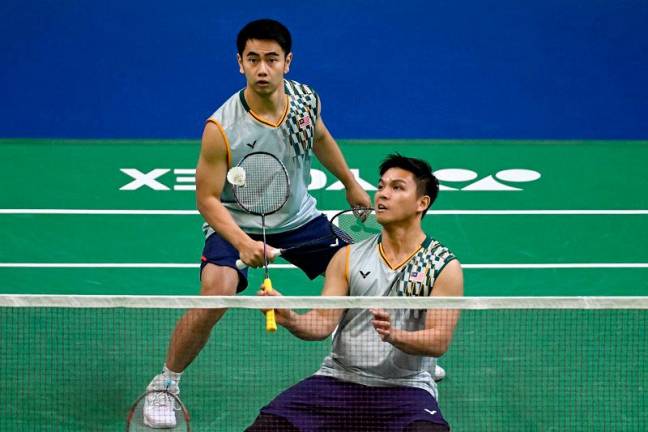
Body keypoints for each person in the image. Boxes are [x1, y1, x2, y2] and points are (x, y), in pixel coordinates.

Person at [142, 19, 371, 428]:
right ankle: (165, 384)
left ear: (287, 62)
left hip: (299, 217)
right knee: (218, 291)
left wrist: (350, 183)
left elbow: (319, 138)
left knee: (362, 268)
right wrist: (242, 244)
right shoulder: (221, 128)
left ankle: (382, 356)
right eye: (253, 60)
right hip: (234, 222)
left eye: (271, 59)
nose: (262, 69)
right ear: (239, 64)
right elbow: (206, 200)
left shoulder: (304, 99)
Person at [246, 154, 464, 432]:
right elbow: (321, 325)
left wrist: (395, 336)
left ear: (422, 203)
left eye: (397, 188)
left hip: (405, 388)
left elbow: (438, 341)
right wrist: (290, 317)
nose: (383, 194)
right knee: (267, 427)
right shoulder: (347, 257)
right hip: (338, 380)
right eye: (382, 185)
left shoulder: (442, 266)